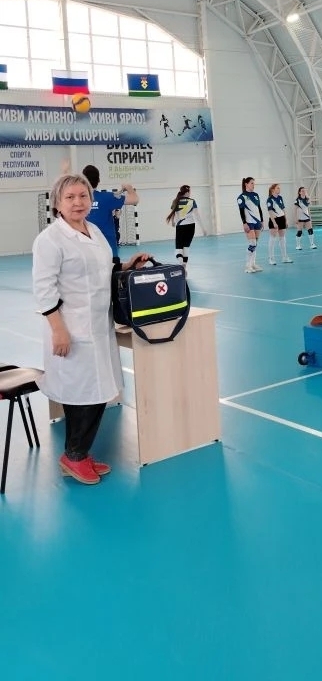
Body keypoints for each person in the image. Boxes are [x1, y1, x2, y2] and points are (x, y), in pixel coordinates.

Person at [32, 174, 150, 485]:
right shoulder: (49, 240)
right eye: (70, 197)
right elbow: (43, 290)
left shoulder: (94, 231)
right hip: (70, 328)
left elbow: (105, 268)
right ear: (57, 203)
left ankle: (79, 454)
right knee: (80, 394)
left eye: (83, 196)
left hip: (98, 325)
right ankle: (73, 456)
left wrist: (128, 266)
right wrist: (58, 330)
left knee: (98, 392)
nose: (78, 202)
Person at [82, 164, 139, 264]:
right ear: (98, 180)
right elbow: (135, 199)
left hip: (87, 255)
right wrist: (129, 188)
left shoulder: (79, 200)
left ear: (83, 181)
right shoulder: (108, 197)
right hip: (109, 253)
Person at [165, 185, 206, 270]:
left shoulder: (175, 201)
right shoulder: (192, 201)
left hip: (180, 227)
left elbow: (173, 214)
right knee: (186, 247)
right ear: (187, 192)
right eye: (190, 191)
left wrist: (173, 222)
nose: (190, 193)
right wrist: (203, 229)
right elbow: (197, 216)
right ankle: (184, 265)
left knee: (178, 249)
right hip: (191, 226)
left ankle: (181, 263)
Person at [237, 177, 264, 273]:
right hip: (249, 222)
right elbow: (241, 211)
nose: (253, 185)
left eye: (254, 183)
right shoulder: (242, 197)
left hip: (257, 222)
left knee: (255, 244)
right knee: (252, 243)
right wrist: (244, 223)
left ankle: (253, 264)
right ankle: (247, 266)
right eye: (251, 183)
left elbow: (259, 208)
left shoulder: (256, 195)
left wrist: (262, 221)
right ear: (246, 184)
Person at [267, 184, 293, 265]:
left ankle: (284, 257)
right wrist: (274, 223)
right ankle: (271, 258)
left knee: (282, 238)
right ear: (273, 190)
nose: (279, 189)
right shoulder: (270, 199)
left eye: (279, 188)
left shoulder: (280, 197)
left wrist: (286, 220)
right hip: (274, 219)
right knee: (272, 238)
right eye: (277, 188)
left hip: (282, 219)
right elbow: (270, 212)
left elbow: (283, 209)